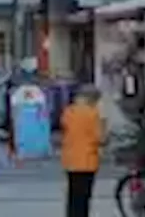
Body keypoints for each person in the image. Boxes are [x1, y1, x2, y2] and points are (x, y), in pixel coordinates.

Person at [61, 84, 103, 217]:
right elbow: (99, 137)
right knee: (84, 196)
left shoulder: (68, 111)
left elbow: (64, 127)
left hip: (70, 159)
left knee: (73, 194)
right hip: (87, 160)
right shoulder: (93, 113)